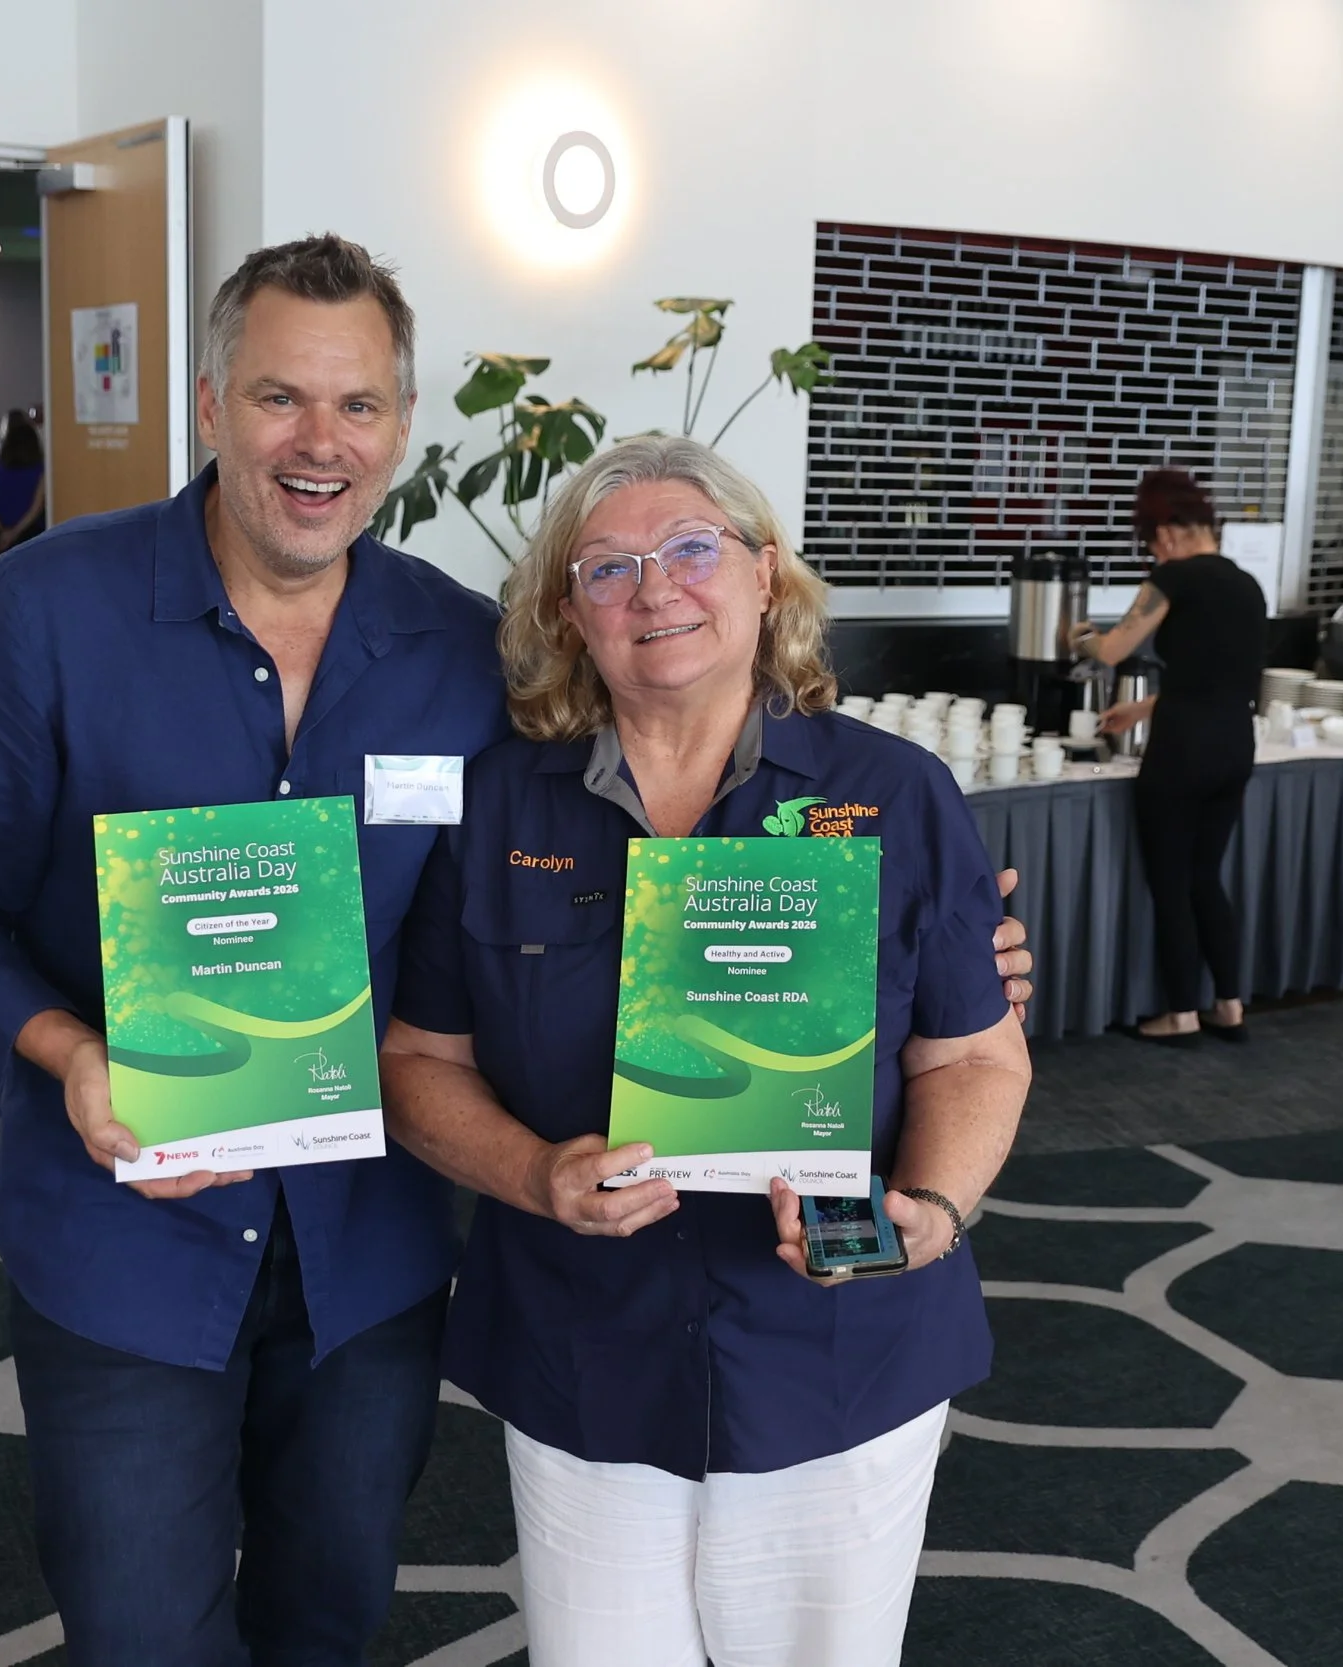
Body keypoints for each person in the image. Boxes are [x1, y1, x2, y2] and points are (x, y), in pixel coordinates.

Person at [0, 233, 1037, 1667]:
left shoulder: (458, 651)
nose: (321, 440)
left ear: (402, 424)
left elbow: (706, 857)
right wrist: (71, 1052)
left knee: (332, 1613)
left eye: (357, 403)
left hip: (368, 1250)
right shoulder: (36, 617)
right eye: (281, 396)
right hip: (129, 1229)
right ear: (213, 402)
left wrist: (949, 953)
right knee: (140, 1630)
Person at [378, 435, 1031, 1667]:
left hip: (836, 1351)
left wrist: (929, 1213)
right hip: (583, 1347)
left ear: (765, 573)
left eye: (691, 548)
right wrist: (533, 1173)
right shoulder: (497, 805)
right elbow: (418, 1062)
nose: (653, 588)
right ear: (568, 611)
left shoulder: (896, 794)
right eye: (607, 566)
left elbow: (972, 1059)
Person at [1069, 468, 1267, 1043]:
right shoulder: (1247, 585)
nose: (1154, 553)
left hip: (1182, 753)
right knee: (1207, 876)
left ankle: (1180, 1014)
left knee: (1172, 881)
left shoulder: (1173, 577)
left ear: (1167, 533)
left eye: (1151, 544)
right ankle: (1229, 1005)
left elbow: (1112, 650)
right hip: (1235, 746)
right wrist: (1143, 708)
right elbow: (1216, 679)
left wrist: (1077, 634)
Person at [0, 408, 47, 554]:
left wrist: (2, 531)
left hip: (2, 537)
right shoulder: (41, 471)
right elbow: (37, 507)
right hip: (33, 535)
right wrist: (15, 532)